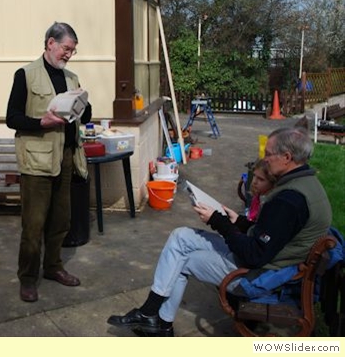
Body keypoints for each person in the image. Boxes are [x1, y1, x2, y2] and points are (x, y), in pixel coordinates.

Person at [107, 127, 332, 336]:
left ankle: (160, 325)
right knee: (181, 236)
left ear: (287, 158)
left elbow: (254, 255)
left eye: (269, 153)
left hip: (261, 276)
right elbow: (276, 233)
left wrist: (218, 222)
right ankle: (150, 314)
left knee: (182, 259)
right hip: (271, 261)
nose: (264, 158)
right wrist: (240, 223)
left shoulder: (289, 200)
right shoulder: (305, 184)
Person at [6, 22, 92, 302]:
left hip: (65, 157)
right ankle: (28, 279)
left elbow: (85, 116)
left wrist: (84, 104)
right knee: (33, 225)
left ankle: (53, 267)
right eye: (66, 48)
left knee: (60, 221)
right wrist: (40, 122)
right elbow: (12, 118)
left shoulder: (71, 77)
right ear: (50, 43)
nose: (68, 54)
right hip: (37, 161)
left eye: (72, 51)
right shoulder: (26, 75)